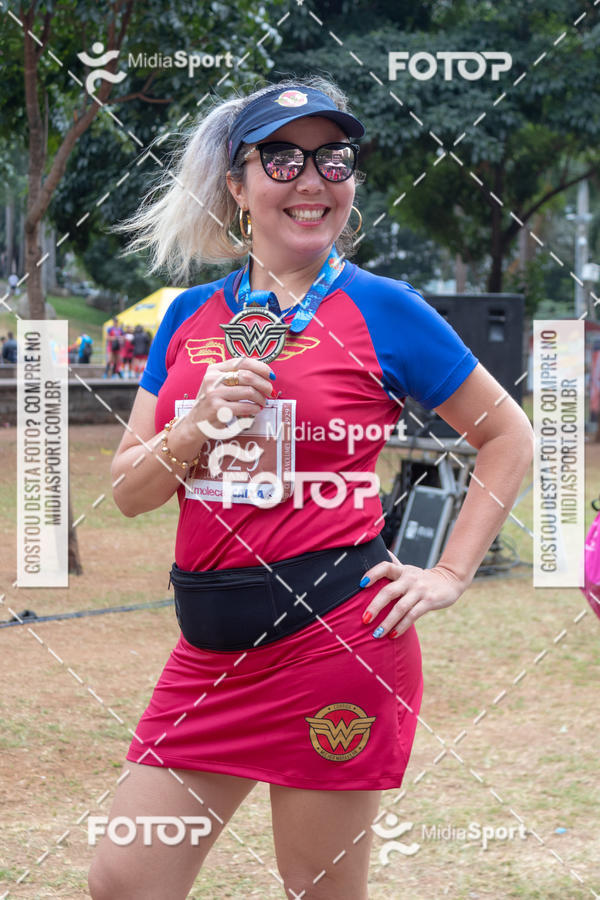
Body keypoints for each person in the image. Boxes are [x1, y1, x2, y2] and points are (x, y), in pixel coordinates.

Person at [89, 77, 533, 900]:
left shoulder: (385, 310)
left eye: (334, 158)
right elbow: (128, 492)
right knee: (124, 882)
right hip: (207, 656)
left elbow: (508, 436)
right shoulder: (187, 317)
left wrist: (449, 572)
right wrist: (195, 427)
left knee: (317, 890)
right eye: (282, 159)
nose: (313, 179)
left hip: (334, 646)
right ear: (237, 185)